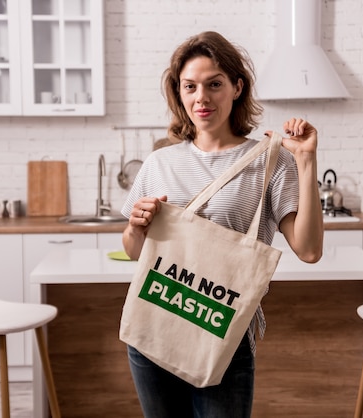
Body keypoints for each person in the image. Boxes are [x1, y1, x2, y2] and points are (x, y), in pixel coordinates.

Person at [120, 31, 324, 418]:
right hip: (154, 330)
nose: (202, 97)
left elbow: (309, 250)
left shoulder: (270, 161)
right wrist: (135, 227)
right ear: (178, 93)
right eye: (190, 86)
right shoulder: (160, 163)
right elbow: (135, 251)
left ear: (237, 87)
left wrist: (307, 162)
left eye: (214, 84)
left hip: (223, 336)